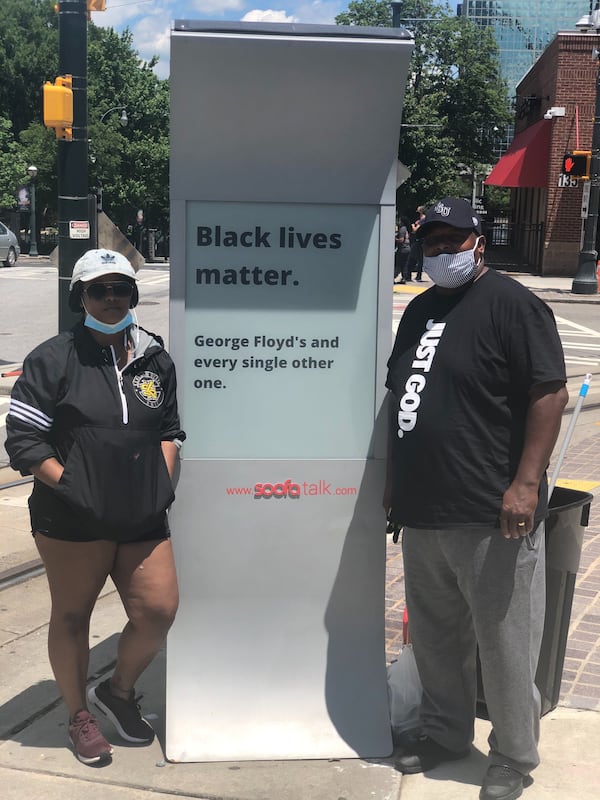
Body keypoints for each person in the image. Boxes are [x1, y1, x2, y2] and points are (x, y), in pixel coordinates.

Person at [384, 198, 568, 800]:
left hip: (492, 511)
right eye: (431, 243)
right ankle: (444, 732)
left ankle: (515, 753)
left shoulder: (514, 305)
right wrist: (394, 481)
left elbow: (549, 393)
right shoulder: (420, 310)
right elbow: (400, 395)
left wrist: (525, 483)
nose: (441, 253)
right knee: (436, 635)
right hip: (425, 508)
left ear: (478, 243)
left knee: (505, 641)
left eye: (453, 242)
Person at [5, 249, 185, 766]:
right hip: (72, 518)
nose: (112, 298)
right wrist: (75, 487)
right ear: (79, 297)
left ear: (133, 295)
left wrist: (162, 482)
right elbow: (24, 440)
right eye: (99, 289)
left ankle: (119, 691)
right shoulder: (53, 358)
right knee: (71, 614)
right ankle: (78, 714)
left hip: (142, 514)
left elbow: (170, 430)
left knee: (158, 610)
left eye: (121, 289)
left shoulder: (154, 358)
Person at [406, 205, 426, 281]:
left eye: (418, 211)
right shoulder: (421, 220)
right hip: (419, 241)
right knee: (418, 258)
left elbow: (415, 230)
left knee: (413, 258)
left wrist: (412, 226)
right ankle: (417, 276)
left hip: (419, 241)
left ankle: (412, 276)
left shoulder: (422, 220)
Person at [394, 218, 412, 283]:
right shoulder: (406, 229)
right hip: (407, 248)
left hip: (402, 249)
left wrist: (395, 239)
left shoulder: (402, 229)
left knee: (398, 263)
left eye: (400, 221)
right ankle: (404, 278)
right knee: (405, 264)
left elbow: (401, 240)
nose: (399, 222)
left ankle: (393, 276)